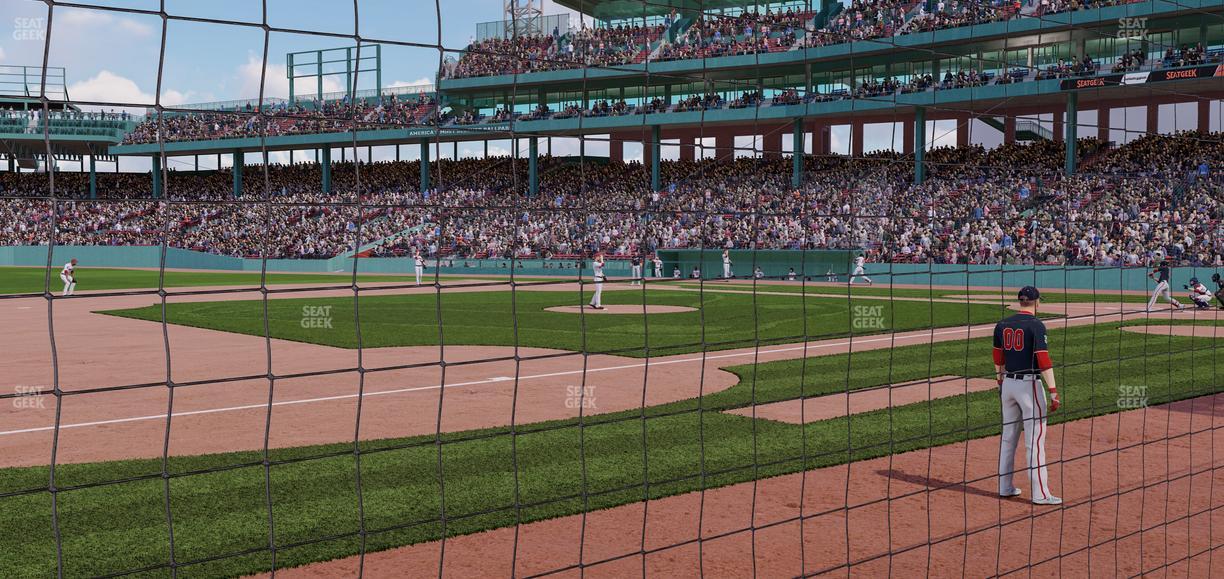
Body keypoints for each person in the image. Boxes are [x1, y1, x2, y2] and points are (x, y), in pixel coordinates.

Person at [993, 286, 1061, 505]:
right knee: (1035, 440)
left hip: (1008, 384)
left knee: (1008, 437)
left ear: (1020, 301)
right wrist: (1053, 390)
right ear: (1036, 302)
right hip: (1029, 385)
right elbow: (1043, 360)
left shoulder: (1002, 324)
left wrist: (1000, 381)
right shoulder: (1036, 325)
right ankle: (1041, 494)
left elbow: (998, 357)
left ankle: (1005, 487)